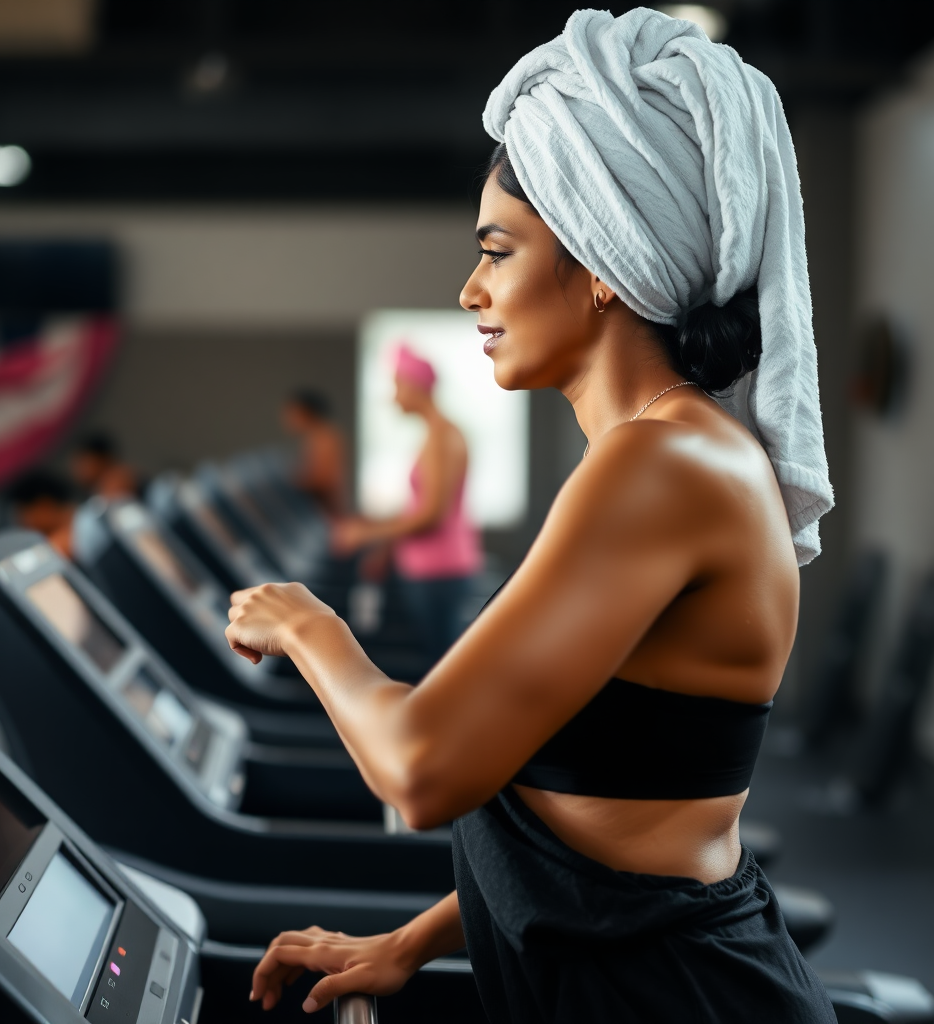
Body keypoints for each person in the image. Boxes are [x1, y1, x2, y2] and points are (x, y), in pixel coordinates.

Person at [226, 9, 836, 1022]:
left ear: (599, 260)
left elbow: (420, 769)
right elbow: (607, 825)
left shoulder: (660, 464)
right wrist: (409, 941)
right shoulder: (666, 453)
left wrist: (307, 626)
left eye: (498, 251)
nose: (471, 290)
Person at [332, 346, 482, 664]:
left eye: (397, 386)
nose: (394, 397)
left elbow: (431, 516)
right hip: (427, 571)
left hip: (440, 572)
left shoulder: (443, 437)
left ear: (415, 385)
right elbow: (416, 508)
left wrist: (365, 535)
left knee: (443, 666)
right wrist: (384, 546)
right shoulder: (433, 435)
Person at [281, 389, 348, 517]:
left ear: (306, 412)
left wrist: (286, 481)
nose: (287, 419)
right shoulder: (314, 437)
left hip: (326, 516)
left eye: (292, 413)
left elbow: (323, 480)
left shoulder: (325, 437)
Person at [6, 470, 76, 559]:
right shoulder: (85, 519)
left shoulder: (59, 546)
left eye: (23, 512)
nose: (21, 520)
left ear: (44, 505)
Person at [69, 431, 139, 500]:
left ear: (101, 459)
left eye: (82, 461)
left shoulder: (127, 479)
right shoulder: (94, 497)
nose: (77, 469)